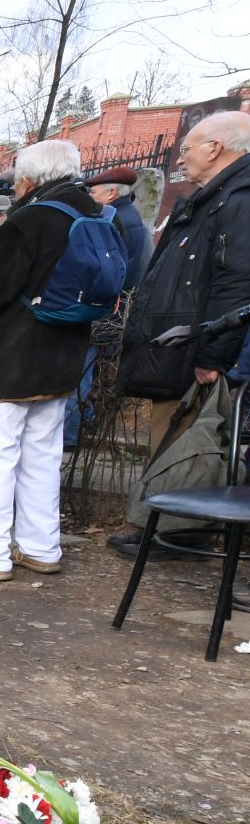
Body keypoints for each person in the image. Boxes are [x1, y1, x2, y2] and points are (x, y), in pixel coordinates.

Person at [0, 139, 101, 581]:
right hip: (63, 354)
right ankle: (41, 548)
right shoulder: (91, 213)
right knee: (41, 458)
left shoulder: (31, 219)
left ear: (28, 179)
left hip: (8, 358)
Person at [109, 111, 250, 558]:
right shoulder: (215, 196)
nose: (182, 156)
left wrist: (213, 353)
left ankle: (174, 531)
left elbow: (237, 281)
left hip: (198, 348)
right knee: (169, 432)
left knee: (183, 439)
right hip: (180, 340)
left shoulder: (239, 198)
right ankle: (165, 525)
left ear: (216, 148)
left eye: (188, 146)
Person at [62, 166, 155, 450]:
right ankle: (81, 420)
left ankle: (70, 432)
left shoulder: (113, 220)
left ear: (112, 193)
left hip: (107, 311)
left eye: (93, 192)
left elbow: (109, 271)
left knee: (80, 371)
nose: (90, 197)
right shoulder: (127, 217)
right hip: (115, 310)